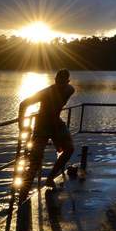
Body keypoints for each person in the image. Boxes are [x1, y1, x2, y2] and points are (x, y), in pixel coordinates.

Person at [18, 69, 75, 203]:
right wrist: (21, 126)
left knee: (69, 148)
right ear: (54, 80)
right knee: (35, 162)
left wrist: (58, 140)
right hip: (42, 125)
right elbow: (23, 104)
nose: (59, 84)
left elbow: (56, 106)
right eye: (57, 81)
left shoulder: (70, 90)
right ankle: (22, 197)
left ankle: (50, 178)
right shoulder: (45, 93)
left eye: (63, 82)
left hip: (56, 123)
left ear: (67, 82)